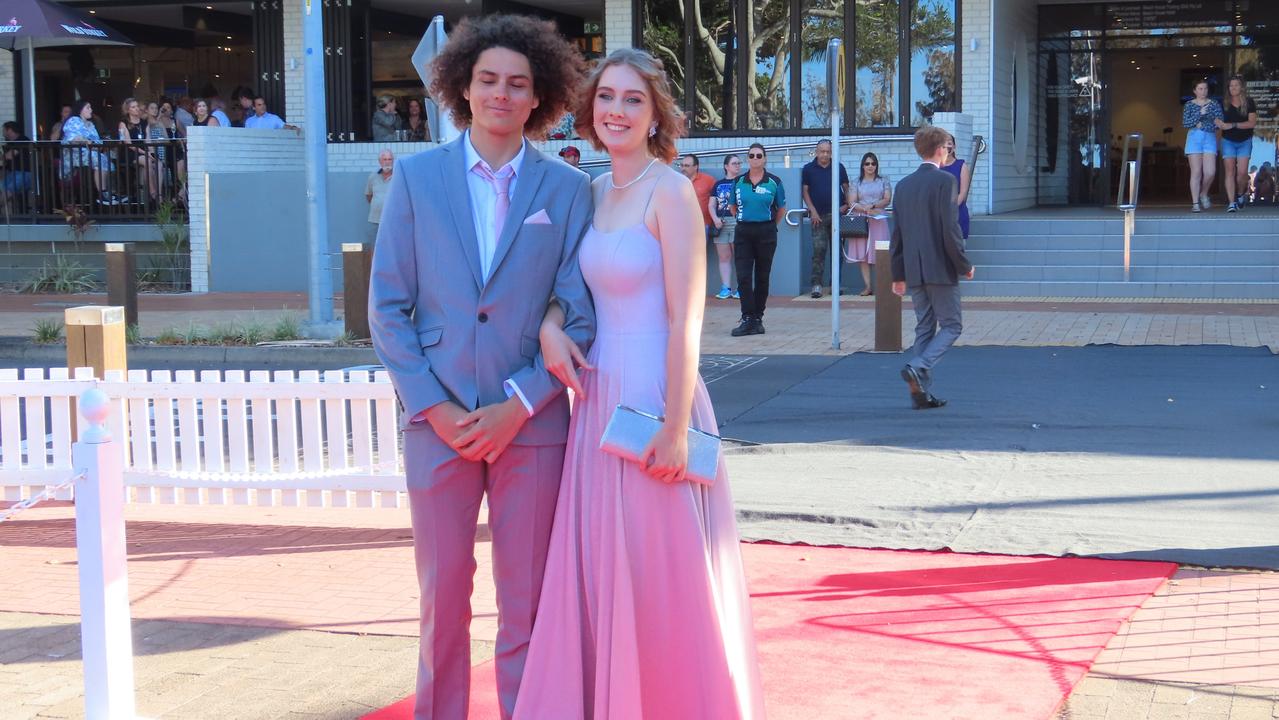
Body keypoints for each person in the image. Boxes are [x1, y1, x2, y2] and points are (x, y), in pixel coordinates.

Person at [515, 46, 764, 719]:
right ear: (588, 111)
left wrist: (678, 430)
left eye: (632, 99)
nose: (616, 110)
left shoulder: (671, 190)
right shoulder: (592, 192)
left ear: (655, 115)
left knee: (663, 574)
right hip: (597, 403)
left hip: (657, 396)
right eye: (606, 98)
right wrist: (547, 324)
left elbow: (687, 320)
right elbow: (567, 292)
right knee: (607, 570)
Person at [366, 14, 592, 720]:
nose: (501, 93)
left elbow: (579, 314)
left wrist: (519, 404)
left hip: (531, 426)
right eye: (488, 79)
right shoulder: (416, 177)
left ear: (538, 98)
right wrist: (435, 408)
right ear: (463, 87)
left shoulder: (567, 191)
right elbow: (387, 308)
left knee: (525, 603)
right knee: (442, 601)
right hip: (438, 427)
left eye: (517, 83)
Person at [891, 125, 974, 410]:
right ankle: (919, 365)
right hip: (940, 267)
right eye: (948, 148)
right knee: (952, 325)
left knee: (925, 327)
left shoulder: (902, 185)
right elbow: (950, 229)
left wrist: (897, 273)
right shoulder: (944, 181)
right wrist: (963, 264)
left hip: (914, 269)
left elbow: (897, 234)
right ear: (941, 150)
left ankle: (920, 394)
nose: (948, 152)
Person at [730, 142, 786, 336]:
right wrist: (745, 220)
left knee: (762, 277)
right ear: (747, 159)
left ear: (765, 158)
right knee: (743, 277)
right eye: (752, 156)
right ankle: (747, 318)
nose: (755, 159)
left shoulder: (774, 182)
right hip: (744, 232)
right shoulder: (738, 182)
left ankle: (758, 318)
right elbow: (733, 207)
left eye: (759, 155)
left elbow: (781, 209)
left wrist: (769, 226)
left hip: (766, 232)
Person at [800, 138, 851, 298]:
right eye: (822, 151)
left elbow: (847, 189)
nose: (825, 154)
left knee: (837, 253)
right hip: (818, 217)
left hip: (837, 216)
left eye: (828, 151)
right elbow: (805, 192)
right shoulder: (808, 169)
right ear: (816, 152)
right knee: (818, 251)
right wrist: (812, 211)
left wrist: (846, 205)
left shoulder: (839, 167)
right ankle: (816, 285)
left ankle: (835, 284)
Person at [60, 100, 124, 205]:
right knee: (100, 159)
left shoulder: (90, 124)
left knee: (108, 160)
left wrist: (99, 145)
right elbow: (73, 137)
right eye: (88, 108)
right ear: (80, 110)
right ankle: (102, 193)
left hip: (90, 152)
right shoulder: (74, 120)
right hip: (75, 154)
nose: (91, 110)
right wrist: (86, 141)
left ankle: (111, 192)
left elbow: (96, 141)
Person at [847, 151, 891, 296]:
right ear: (862, 166)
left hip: (878, 218)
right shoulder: (855, 182)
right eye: (867, 163)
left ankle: (882, 286)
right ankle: (868, 286)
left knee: (881, 253)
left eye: (873, 163)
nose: (870, 166)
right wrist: (864, 209)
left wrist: (873, 206)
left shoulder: (883, 180)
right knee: (863, 255)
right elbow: (851, 201)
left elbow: (887, 199)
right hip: (861, 220)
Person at [1217, 75, 1257, 212]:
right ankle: (1231, 202)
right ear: (1228, 88)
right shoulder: (1223, 103)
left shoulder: (1249, 102)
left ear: (1241, 87)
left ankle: (1240, 194)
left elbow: (1251, 123)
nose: (1233, 87)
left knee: (1242, 173)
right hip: (1228, 141)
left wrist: (1232, 125)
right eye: (1231, 85)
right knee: (1230, 171)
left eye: (1236, 85)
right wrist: (1220, 124)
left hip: (1245, 141)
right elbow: (1218, 121)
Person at [1182, 79, 1222, 212]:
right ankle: (1195, 203)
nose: (1203, 91)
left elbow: (1219, 123)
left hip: (1209, 137)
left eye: (1205, 88)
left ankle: (1204, 193)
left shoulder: (1214, 104)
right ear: (1194, 91)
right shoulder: (1189, 104)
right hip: (1194, 138)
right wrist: (1200, 114)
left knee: (1210, 172)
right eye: (1200, 89)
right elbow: (1186, 123)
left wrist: (1203, 125)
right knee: (1196, 172)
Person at [708, 153, 742, 299]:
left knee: (740, 256)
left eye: (739, 163)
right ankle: (726, 287)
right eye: (734, 163)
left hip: (738, 222)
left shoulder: (743, 182)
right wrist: (715, 218)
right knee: (724, 257)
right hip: (721, 223)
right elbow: (711, 204)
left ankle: (741, 287)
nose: (738, 166)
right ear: (726, 166)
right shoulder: (718, 184)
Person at [118, 98, 157, 202]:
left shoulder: (144, 123)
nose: (136, 109)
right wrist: (146, 153)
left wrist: (152, 153)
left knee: (158, 165)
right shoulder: (123, 123)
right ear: (128, 110)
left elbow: (148, 140)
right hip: (130, 152)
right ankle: (153, 193)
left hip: (144, 152)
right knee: (147, 162)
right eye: (133, 107)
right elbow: (128, 143)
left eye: (137, 106)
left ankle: (155, 196)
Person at [941, 133, 973, 238]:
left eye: (949, 143)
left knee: (958, 250)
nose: (946, 146)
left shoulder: (961, 166)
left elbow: (963, 193)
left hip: (957, 214)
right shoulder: (934, 167)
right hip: (938, 216)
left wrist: (950, 209)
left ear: (954, 147)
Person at [680, 153, 717, 241]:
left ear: (696, 167)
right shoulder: (677, 181)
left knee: (700, 254)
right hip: (680, 226)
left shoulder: (708, 180)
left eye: (687, 166)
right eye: (681, 165)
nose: (683, 168)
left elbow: (718, 200)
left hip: (702, 225)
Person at [364, 148, 394, 244]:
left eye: (390, 159)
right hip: (375, 220)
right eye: (384, 159)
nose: (387, 162)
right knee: (374, 247)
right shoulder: (373, 177)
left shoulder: (399, 176)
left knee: (393, 247)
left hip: (393, 220)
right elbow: (369, 196)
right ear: (379, 161)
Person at [2, 121, 32, 202]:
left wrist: (3, 156)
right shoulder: (9, 143)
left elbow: (10, 155)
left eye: (4, 130)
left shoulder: (23, 139)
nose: (2, 132)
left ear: (10, 130)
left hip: (24, 172)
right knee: (2, 188)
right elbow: (5, 160)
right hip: (12, 173)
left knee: (9, 190)